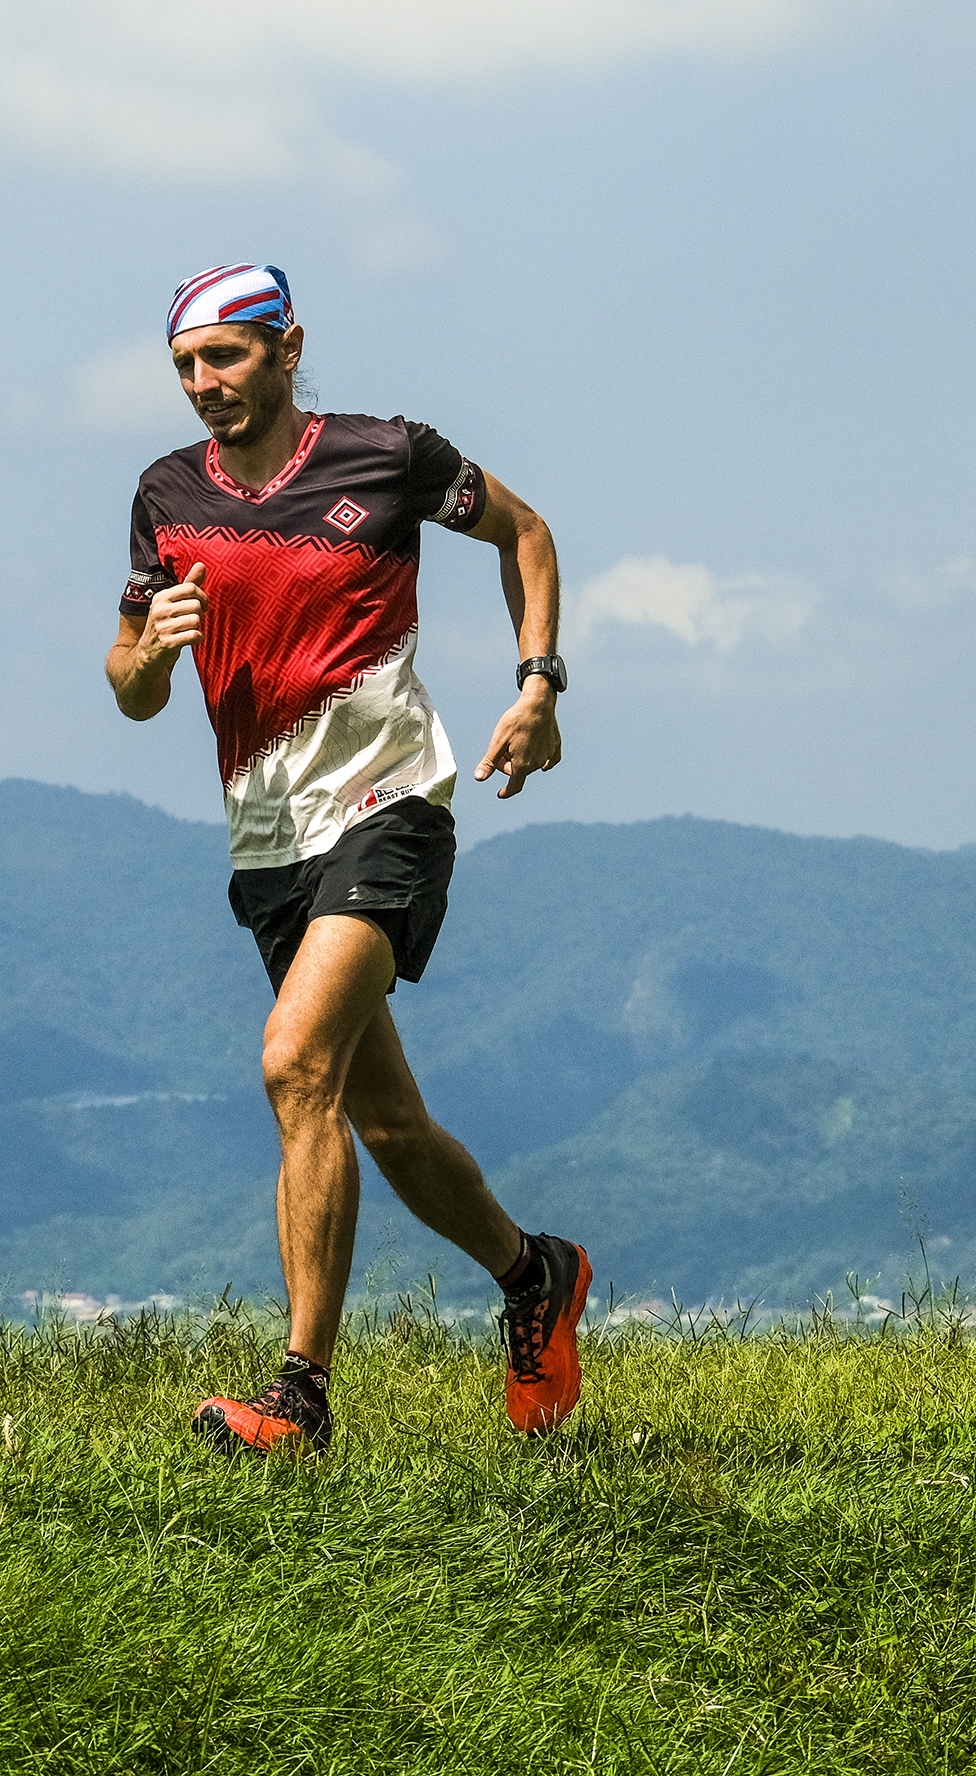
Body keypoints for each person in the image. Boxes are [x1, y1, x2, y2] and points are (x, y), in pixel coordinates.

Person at [106, 261, 591, 1454]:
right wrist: (153, 654)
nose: (205, 384)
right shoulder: (166, 493)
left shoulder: (386, 453)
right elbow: (125, 684)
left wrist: (538, 683)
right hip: (268, 841)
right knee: (385, 1125)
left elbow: (526, 533)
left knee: (290, 1064)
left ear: (286, 347)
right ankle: (536, 1276)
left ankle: (299, 1399)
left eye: (226, 357)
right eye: (185, 367)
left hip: (389, 808)